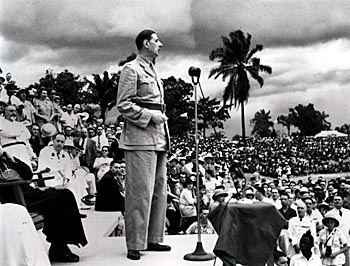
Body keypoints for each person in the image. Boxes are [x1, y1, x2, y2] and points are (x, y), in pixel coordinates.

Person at [116, 29, 171, 260]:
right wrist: (149, 115)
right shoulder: (131, 69)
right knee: (140, 192)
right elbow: (123, 104)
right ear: (146, 43)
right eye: (156, 41)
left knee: (159, 191)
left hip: (158, 136)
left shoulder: (154, 70)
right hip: (140, 137)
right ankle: (135, 243)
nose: (160, 44)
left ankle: (153, 238)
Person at [0, 148, 87, 262]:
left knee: (66, 194)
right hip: (15, 197)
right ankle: (58, 247)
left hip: (27, 192)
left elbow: (28, 174)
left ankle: (62, 243)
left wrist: (12, 160)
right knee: (55, 200)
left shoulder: (6, 160)